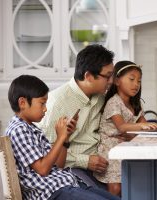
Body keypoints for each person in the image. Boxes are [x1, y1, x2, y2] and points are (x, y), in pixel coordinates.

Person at [5, 75, 119, 200]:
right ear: (22, 103)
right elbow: (43, 169)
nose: (45, 109)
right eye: (42, 103)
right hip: (50, 192)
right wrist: (59, 138)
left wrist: (65, 139)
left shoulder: (32, 129)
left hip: (67, 185)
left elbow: (58, 165)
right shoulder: (18, 130)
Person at [37, 44, 114, 190]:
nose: (111, 81)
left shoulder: (100, 96)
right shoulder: (56, 104)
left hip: (99, 167)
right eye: (107, 76)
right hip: (71, 171)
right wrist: (85, 161)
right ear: (88, 76)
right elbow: (47, 154)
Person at [94, 61, 157, 196]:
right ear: (117, 81)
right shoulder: (113, 102)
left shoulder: (135, 104)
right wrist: (141, 126)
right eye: (131, 79)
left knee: (132, 185)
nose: (136, 84)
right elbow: (122, 127)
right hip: (110, 149)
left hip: (125, 147)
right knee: (116, 188)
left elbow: (145, 127)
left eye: (139, 81)